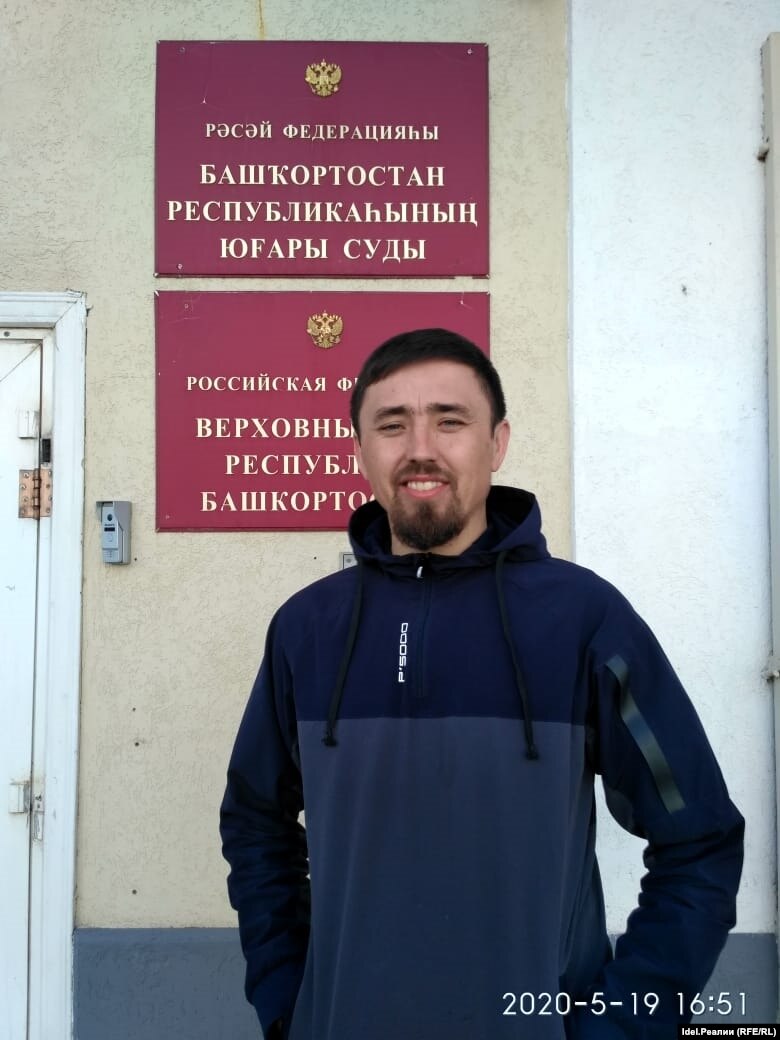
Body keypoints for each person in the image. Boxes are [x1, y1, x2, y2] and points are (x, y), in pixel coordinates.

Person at [220, 328, 744, 1040]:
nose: (421, 449)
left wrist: (620, 1025)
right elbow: (256, 823)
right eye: (392, 425)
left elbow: (700, 838)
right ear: (360, 452)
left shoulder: (584, 620)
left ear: (496, 444)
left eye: (450, 420)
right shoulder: (306, 630)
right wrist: (288, 1002)